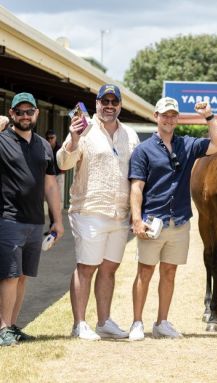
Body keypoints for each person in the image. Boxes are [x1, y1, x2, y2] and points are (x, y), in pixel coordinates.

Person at [127, 97, 217, 341]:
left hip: (179, 220)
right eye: (164, 115)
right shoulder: (143, 150)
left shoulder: (188, 145)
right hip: (152, 222)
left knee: (169, 272)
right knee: (145, 272)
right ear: (156, 117)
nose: (168, 119)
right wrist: (137, 220)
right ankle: (137, 323)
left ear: (177, 118)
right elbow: (136, 187)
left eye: (173, 115)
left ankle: (162, 322)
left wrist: (209, 116)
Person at [57, 84, 140, 341]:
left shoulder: (131, 135)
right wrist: (73, 138)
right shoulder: (84, 129)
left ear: (120, 106)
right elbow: (63, 163)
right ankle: (79, 324)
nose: (109, 106)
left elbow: (138, 174)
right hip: (89, 210)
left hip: (119, 213)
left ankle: (104, 322)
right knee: (86, 267)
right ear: (96, 104)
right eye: (105, 101)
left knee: (109, 269)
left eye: (114, 102)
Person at [0, 92, 63, 346]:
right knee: (9, 276)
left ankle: (13, 326)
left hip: (36, 222)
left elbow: (50, 186)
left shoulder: (43, 145)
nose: (25, 116)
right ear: (12, 114)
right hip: (8, 219)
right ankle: (3, 327)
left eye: (30, 111)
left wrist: (57, 220)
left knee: (23, 275)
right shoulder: (2, 141)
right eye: (20, 111)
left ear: (36, 113)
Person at [45, 129, 64, 233]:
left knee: (57, 201)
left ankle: (57, 224)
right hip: (48, 176)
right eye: (47, 138)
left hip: (58, 175)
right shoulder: (44, 147)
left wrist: (62, 171)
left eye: (51, 138)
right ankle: (52, 225)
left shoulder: (60, 148)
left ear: (55, 138)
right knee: (49, 202)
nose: (49, 140)